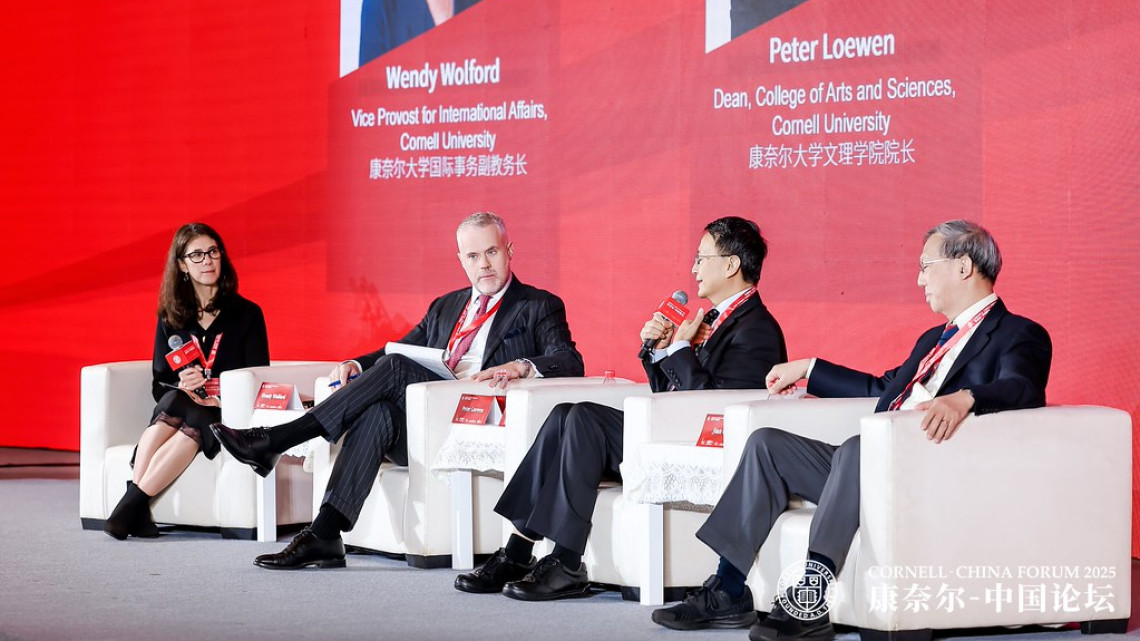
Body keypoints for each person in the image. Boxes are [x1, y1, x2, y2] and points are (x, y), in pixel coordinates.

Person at [651, 220, 1052, 640]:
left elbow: (1023, 387)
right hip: (871, 460)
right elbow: (882, 387)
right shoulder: (934, 339)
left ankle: (810, 599)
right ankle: (729, 590)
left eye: (925, 266)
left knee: (859, 448)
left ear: (964, 267)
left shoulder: (1018, 333)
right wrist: (809, 368)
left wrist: (967, 396)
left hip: (928, 465)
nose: (919, 279)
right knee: (767, 444)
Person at [211, 211, 584, 569]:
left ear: (509, 251)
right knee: (379, 412)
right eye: (473, 255)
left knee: (394, 370)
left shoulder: (538, 305)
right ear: (461, 260)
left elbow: (569, 360)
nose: (484, 264)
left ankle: (279, 440)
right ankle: (325, 533)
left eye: (491, 251)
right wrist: (356, 364)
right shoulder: (445, 306)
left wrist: (522, 366)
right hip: (423, 422)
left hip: (473, 423)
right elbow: (399, 350)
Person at [454, 216, 787, 601]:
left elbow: (708, 404)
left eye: (701, 258)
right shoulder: (712, 318)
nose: (694, 269)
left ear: (731, 265)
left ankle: (566, 561)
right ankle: (518, 550)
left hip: (703, 447)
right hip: (671, 431)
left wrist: (678, 349)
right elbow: (670, 391)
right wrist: (660, 349)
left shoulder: (755, 328)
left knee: (583, 418)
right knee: (565, 413)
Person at [104, 223, 270, 540]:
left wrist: (215, 391)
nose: (207, 261)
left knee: (199, 416)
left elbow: (257, 377)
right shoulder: (172, 316)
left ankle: (131, 503)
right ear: (181, 265)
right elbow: (159, 384)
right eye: (196, 255)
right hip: (181, 403)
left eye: (212, 252)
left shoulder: (247, 313)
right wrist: (183, 384)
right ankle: (134, 509)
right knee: (176, 402)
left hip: (224, 410)